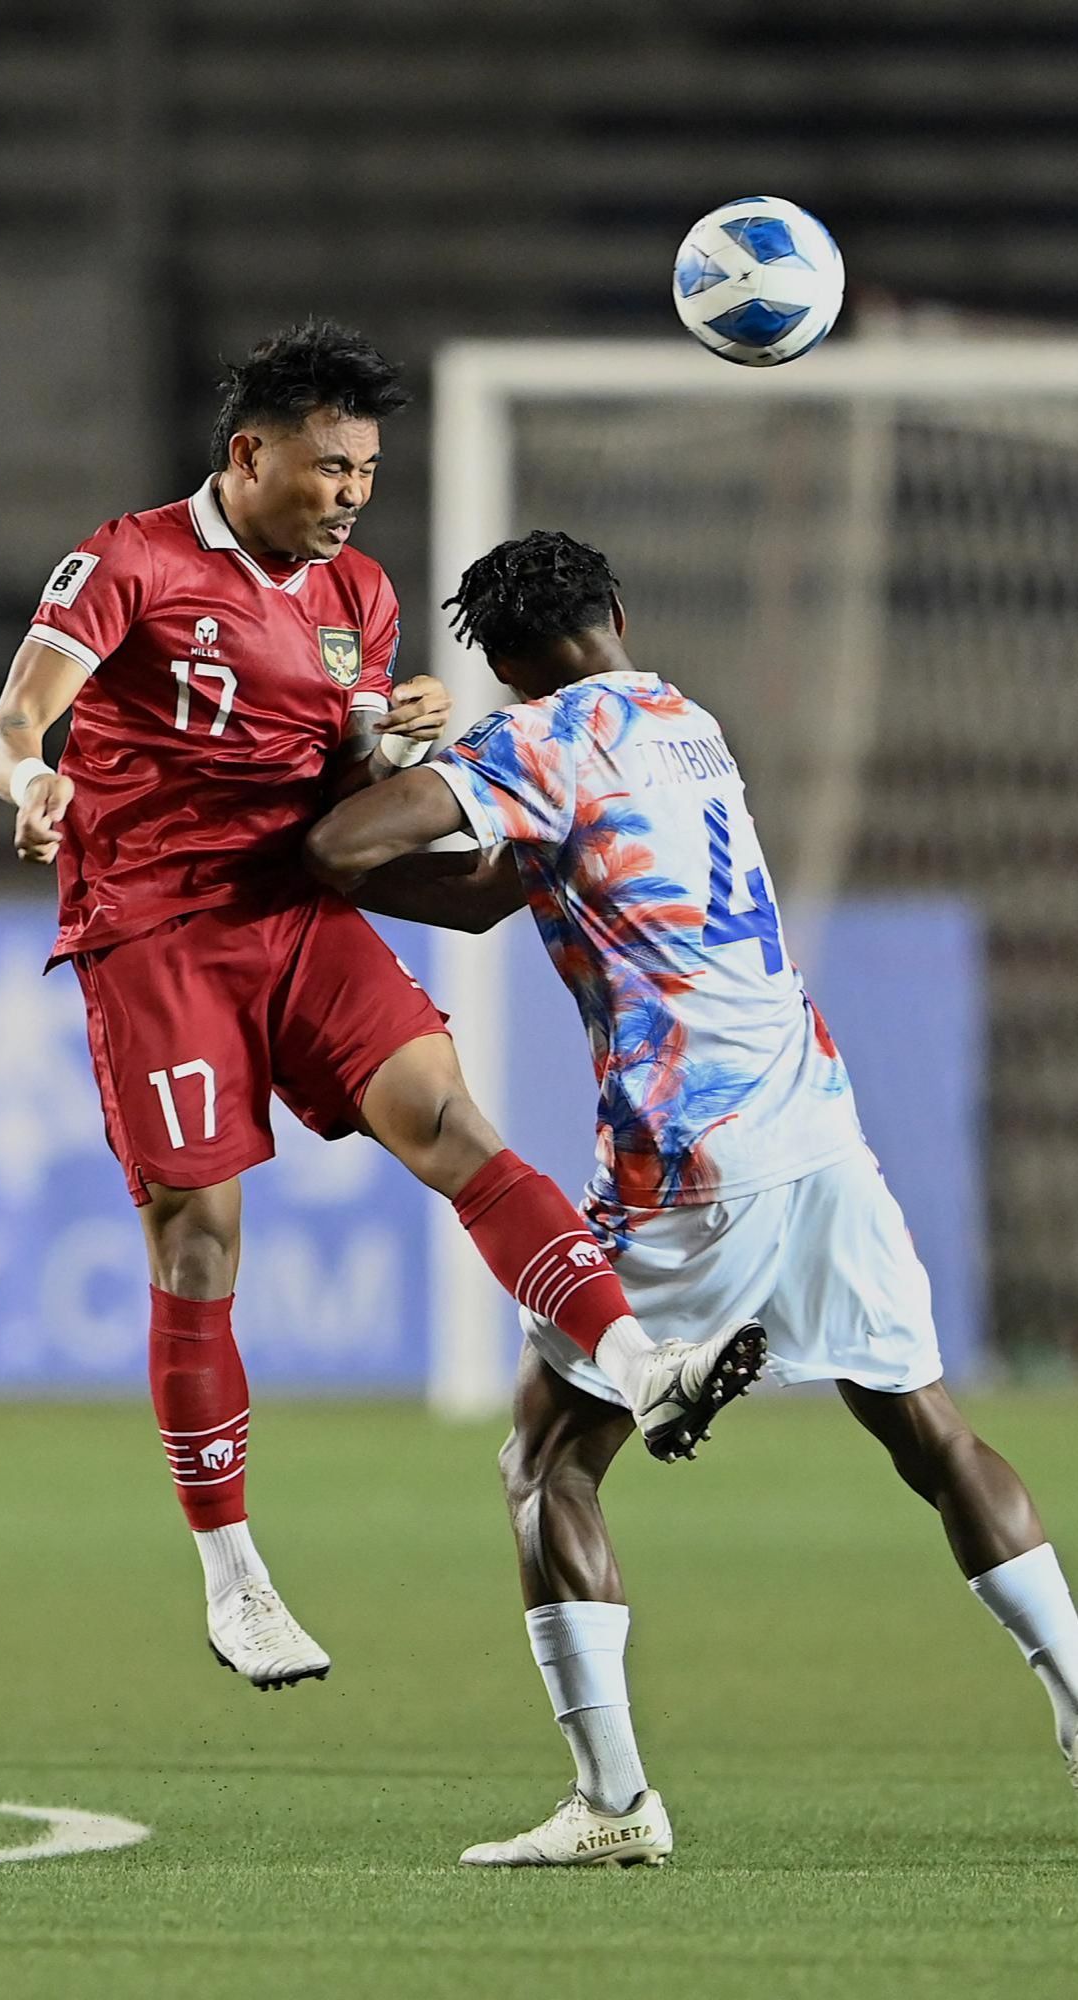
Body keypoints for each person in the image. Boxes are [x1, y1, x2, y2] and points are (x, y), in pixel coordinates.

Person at [0, 333, 756, 1696]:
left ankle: (641, 1366)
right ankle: (233, 1574)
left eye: (368, 470)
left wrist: (395, 740)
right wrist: (33, 783)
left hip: (297, 915)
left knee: (449, 1120)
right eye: (330, 465)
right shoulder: (130, 561)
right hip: (156, 932)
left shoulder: (360, 594)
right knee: (201, 1244)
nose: (351, 491)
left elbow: (339, 785)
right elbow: (16, 722)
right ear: (251, 454)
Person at [305, 527, 1078, 1867]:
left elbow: (337, 848)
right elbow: (495, 897)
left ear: (499, 667)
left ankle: (611, 1805)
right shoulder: (678, 716)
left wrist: (357, 779)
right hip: (815, 1122)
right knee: (928, 1430)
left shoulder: (533, 740)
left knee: (543, 1462)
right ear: (612, 609)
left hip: (687, 1155)